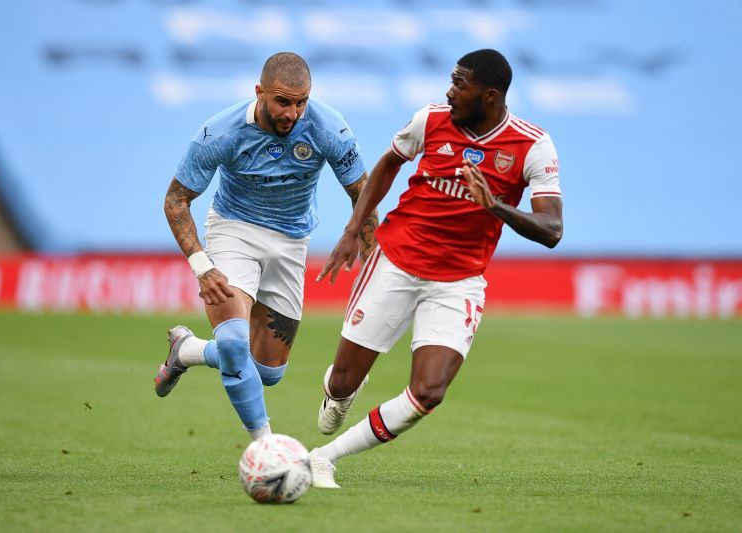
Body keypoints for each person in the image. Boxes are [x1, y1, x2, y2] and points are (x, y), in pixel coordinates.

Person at [309, 49, 563, 488]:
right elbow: (389, 164)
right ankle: (340, 389)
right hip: (396, 262)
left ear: (489, 96)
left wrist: (496, 205)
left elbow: (552, 228)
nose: (449, 91)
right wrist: (354, 230)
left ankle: (325, 457)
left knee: (429, 392)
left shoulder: (531, 145)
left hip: (458, 282)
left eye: (459, 84)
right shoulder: (430, 119)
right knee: (343, 381)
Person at [156, 52, 378, 442]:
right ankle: (266, 448)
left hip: (291, 241)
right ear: (259, 93)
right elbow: (176, 200)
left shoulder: (329, 128)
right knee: (233, 343)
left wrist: (366, 253)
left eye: (301, 102)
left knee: (269, 372)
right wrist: (202, 266)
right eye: (282, 101)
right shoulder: (221, 132)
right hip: (233, 231)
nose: (292, 113)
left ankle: (187, 350)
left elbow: (363, 192)